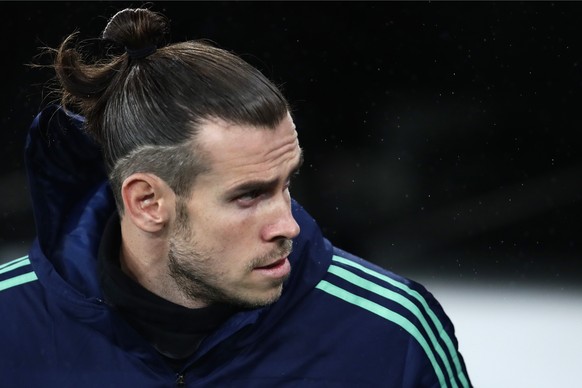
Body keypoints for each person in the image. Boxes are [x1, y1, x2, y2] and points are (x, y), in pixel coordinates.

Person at [0, 7, 471, 387]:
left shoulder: (391, 331)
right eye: (249, 196)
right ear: (147, 203)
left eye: (286, 183)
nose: (288, 225)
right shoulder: (10, 324)